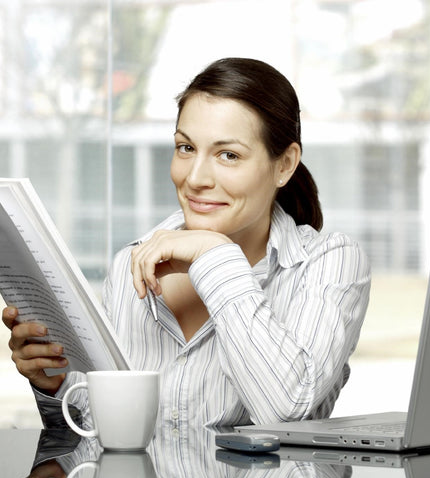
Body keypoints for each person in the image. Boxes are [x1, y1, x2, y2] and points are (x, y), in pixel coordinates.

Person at [2, 58, 370, 429]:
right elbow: (96, 434)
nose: (195, 178)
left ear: (285, 165)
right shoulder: (130, 263)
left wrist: (215, 256)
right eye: (185, 148)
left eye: (229, 155)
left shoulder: (329, 263)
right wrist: (54, 386)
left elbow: (286, 410)